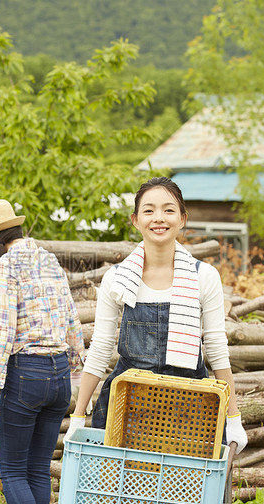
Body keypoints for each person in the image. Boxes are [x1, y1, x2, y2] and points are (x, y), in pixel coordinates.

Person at [67, 177, 248, 455]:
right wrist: (78, 416)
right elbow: (101, 348)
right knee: (122, 493)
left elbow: (216, 348)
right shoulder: (117, 278)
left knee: (186, 493)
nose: (158, 218)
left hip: (190, 406)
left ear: (183, 218)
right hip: (127, 407)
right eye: (149, 210)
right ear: (135, 220)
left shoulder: (204, 276)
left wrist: (233, 418)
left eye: (168, 210)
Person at [0, 199, 86, 504]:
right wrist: (76, 372)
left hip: (26, 374)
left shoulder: (4, 265)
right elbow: (72, 318)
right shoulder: (49, 257)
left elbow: (4, 329)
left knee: (13, 471)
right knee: (37, 469)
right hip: (59, 375)